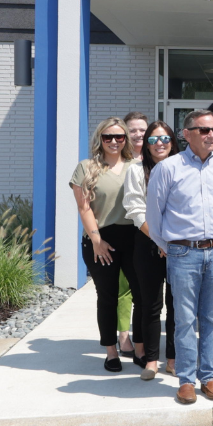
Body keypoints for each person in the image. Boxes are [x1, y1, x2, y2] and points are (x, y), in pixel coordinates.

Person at [146, 109, 213, 404]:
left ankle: (209, 376)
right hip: (183, 251)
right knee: (185, 319)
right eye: (204, 130)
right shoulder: (168, 168)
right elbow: (154, 215)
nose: (212, 135)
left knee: (211, 318)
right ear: (187, 134)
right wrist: (169, 245)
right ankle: (186, 380)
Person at [70, 117, 142, 373]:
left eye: (119, 136)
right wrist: (97, 240)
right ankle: (111, 351)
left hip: (133, 238)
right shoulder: (86, 167)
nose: (113, 141)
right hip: (100, 240)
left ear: (126, 139)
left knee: (141, 295)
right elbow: (84, 207)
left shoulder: (137, 166)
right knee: (108, 296)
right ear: (99, 139)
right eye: (107, 137)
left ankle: (140, 348)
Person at [123, 120, 179, 380]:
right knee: (150, 304)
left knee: (177, 304)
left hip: (179, 244)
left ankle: (173, 359)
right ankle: (152, 360)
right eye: (153, 139)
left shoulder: (183, 167)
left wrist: (170, 243)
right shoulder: (136, 170)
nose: (160, 144)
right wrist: (159, 241)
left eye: (165, 138)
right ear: (146, 145)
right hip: (147, 242)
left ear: (173, 142)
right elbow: (135, 210)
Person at [118, 111, 150, 355]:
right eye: (133, 130)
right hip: (122, 229)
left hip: (147, 232)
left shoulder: (156, 158)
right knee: (124, 287)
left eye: (142, 130)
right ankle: (123, 335)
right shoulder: (118, 160)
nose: (138, 134)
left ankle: (143, 335)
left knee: (144, 289)